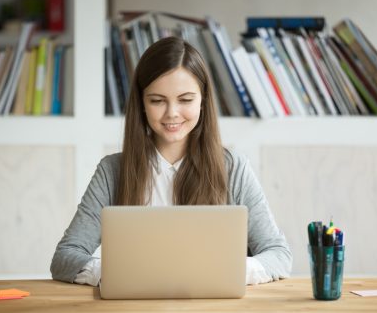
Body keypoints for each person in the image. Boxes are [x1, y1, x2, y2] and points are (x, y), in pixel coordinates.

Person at [50, 36, 292, 286]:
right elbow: (64, 258)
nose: (172, 113)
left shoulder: (233, 168)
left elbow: (279, 256)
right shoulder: (112, 171)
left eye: (185, 100)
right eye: (157, 101)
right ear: (141, 103)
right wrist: (118, 273)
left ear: (203, 101)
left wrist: (226, 271)